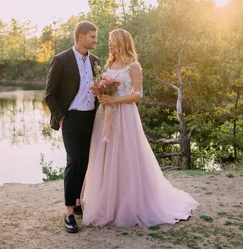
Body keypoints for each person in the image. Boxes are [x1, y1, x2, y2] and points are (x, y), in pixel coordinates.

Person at [81, 28, 198, 227]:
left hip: (125, 115)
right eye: (109, 41)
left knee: (127, 157)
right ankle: (110, 202)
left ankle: (132, 203)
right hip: (107, 115)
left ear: (122, 42)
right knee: (107, 157)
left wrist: (115, 99)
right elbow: (104, 88)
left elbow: (138, 95)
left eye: (112, 41)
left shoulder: (134, 66)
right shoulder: (109, 64)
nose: (109, 44)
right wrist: (101, 95)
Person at [44, 21, 99, 233]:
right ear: (81, 37)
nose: (95, 40)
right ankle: (68, 213)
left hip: (91, 118)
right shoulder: (61, 60)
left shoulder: (95, 61)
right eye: (92, 37)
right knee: (73, 161)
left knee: (85, 160)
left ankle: (77, 203)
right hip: (71, 118)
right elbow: (49, 94)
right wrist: (61, 118)